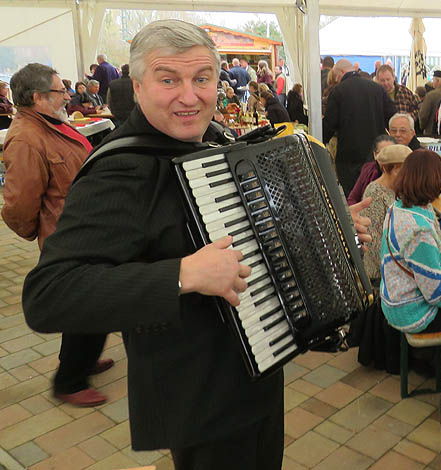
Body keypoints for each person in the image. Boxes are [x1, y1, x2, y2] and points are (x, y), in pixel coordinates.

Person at [22, 20, 373, 470]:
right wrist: (184, 275)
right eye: (169, 80)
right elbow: (48, 295)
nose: (190, 97)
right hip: (201, 399)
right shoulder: (120, 170)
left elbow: (257, 236)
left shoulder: (215, 141)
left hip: (262, 365)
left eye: (202, 79)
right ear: (138, 85)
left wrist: (331, 229)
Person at [3, 63, 113, 407]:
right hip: (68, 236)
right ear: (37, 98)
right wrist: (45, 233)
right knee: (93, 304)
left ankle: (77, 362)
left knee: (85, 303)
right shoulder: (25, 138)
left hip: (83, 229)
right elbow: (19, 204)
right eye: (58, 91)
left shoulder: (48, 124)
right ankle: (69, 381)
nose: (66, 96)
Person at [380, 149, 441, 333]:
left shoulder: (397, 208)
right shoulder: (419, 231)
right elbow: (436, 295)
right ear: (433, 181)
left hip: (394, 299)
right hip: (411, 313)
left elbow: (433, 260)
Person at [323, 59, 396, 194]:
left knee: (352, 199)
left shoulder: (338, 91)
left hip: (349, 157)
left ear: (341, 73)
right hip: (376, 154)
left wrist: (320, 142)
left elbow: (329, 124)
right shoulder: (377, 88)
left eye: (336, 76)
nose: (336, 79)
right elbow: (392, 116)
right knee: (374, 195)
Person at [361, 144, 413, 281]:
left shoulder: (404, 189)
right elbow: (373, 241)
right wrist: (401, 270)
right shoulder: (374, 193)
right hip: (382, 274)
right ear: (385, 168)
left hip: (405, 266)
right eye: (399, 171)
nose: (405, 176)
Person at [347, 135, 397, 205]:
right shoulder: (368, 168)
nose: (386, 158)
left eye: (390, 153)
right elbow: (353, 198)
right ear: (375, 155)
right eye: (382, 153)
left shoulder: (402, 173)